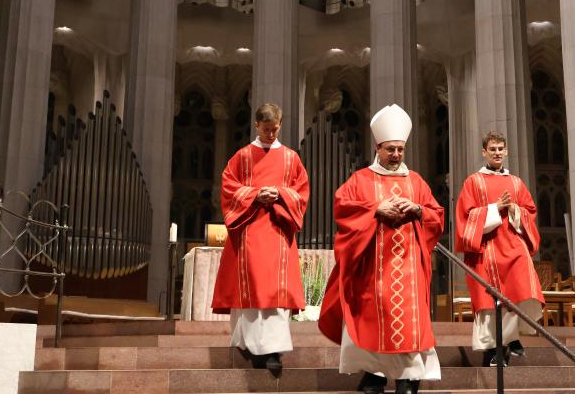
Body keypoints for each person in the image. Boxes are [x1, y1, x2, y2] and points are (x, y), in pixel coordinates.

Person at [319, 104, 444, 394]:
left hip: (409, 266)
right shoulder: (361, 179)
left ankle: (409, 377)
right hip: (372, 267)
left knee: (409, 319)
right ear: (378, 147)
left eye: (401, 149)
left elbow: (436, 215)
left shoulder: (416, 181)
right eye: (391, 150)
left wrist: (417, 209)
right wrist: (376, 209)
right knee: (372, 317)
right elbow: (343, 209)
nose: (397, 155)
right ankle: (373, 374)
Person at [211, 103, 309, 376]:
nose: (270, 134)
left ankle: (274, 350)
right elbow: (229, 188)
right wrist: (255, 195)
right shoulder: (242, 157)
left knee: (276, 292)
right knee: (253, 289)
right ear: (256, 126)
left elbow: (300, 192)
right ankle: (253, 346)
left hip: (278, 230)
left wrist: (279, 194)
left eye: (275, 129)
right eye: (266, 129)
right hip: (250, 229)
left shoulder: (290, 158)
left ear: (280, 124)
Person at [454, 131, 544, 366]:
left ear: (506, 151)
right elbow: (466, 216)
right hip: (487, 247)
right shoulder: (473, 181)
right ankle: (493, 349)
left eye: (500, 149)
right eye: (492, 149)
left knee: (522, 285)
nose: (497, 153)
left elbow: (529, 211)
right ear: (484, 152)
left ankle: (512, 338)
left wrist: (514, 209)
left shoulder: (516, 182)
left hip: (512, 243)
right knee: (489, 300)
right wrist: (494, 208)